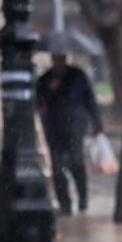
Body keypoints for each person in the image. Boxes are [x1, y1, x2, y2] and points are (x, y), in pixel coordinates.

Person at [36, 53, 103, 215]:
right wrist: (50, 92)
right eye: (56, 59)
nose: (59, 62)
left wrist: (97, 124)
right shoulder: (45, 79)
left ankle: (82, 199)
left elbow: (90, 100)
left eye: (62, 59)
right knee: (58, 169)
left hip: (75, 127)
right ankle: (64, 203)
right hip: (54, 128)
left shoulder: (78, 76)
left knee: (77, 164)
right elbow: (39, 102)